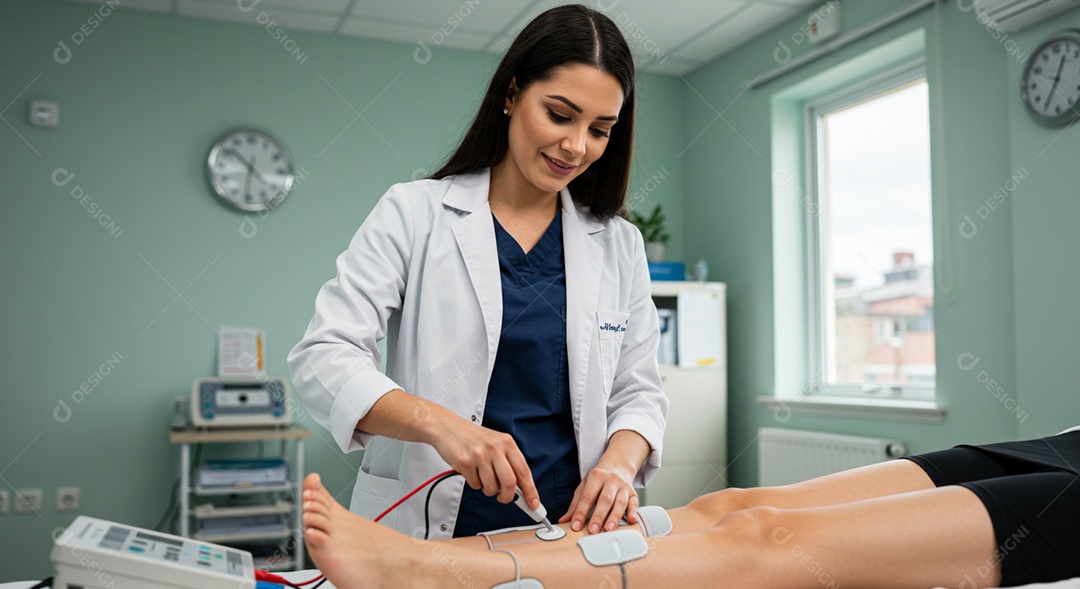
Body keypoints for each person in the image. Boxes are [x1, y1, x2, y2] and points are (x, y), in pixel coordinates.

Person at [288, 4, 667, 540]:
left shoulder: (618, 243)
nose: (577, 146)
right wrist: (444, 428)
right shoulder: (415, 212)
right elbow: (323, 357)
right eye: (560, 115)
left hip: (568, 528)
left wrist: (619, 466)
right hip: (430, 529)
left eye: (600, 129)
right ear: (511, 95)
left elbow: (640, 391)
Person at [299, 428, 1080, 588]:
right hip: (1064, 443)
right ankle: (458, 559)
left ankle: (433, 571)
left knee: (768, 536)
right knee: (731, 501)